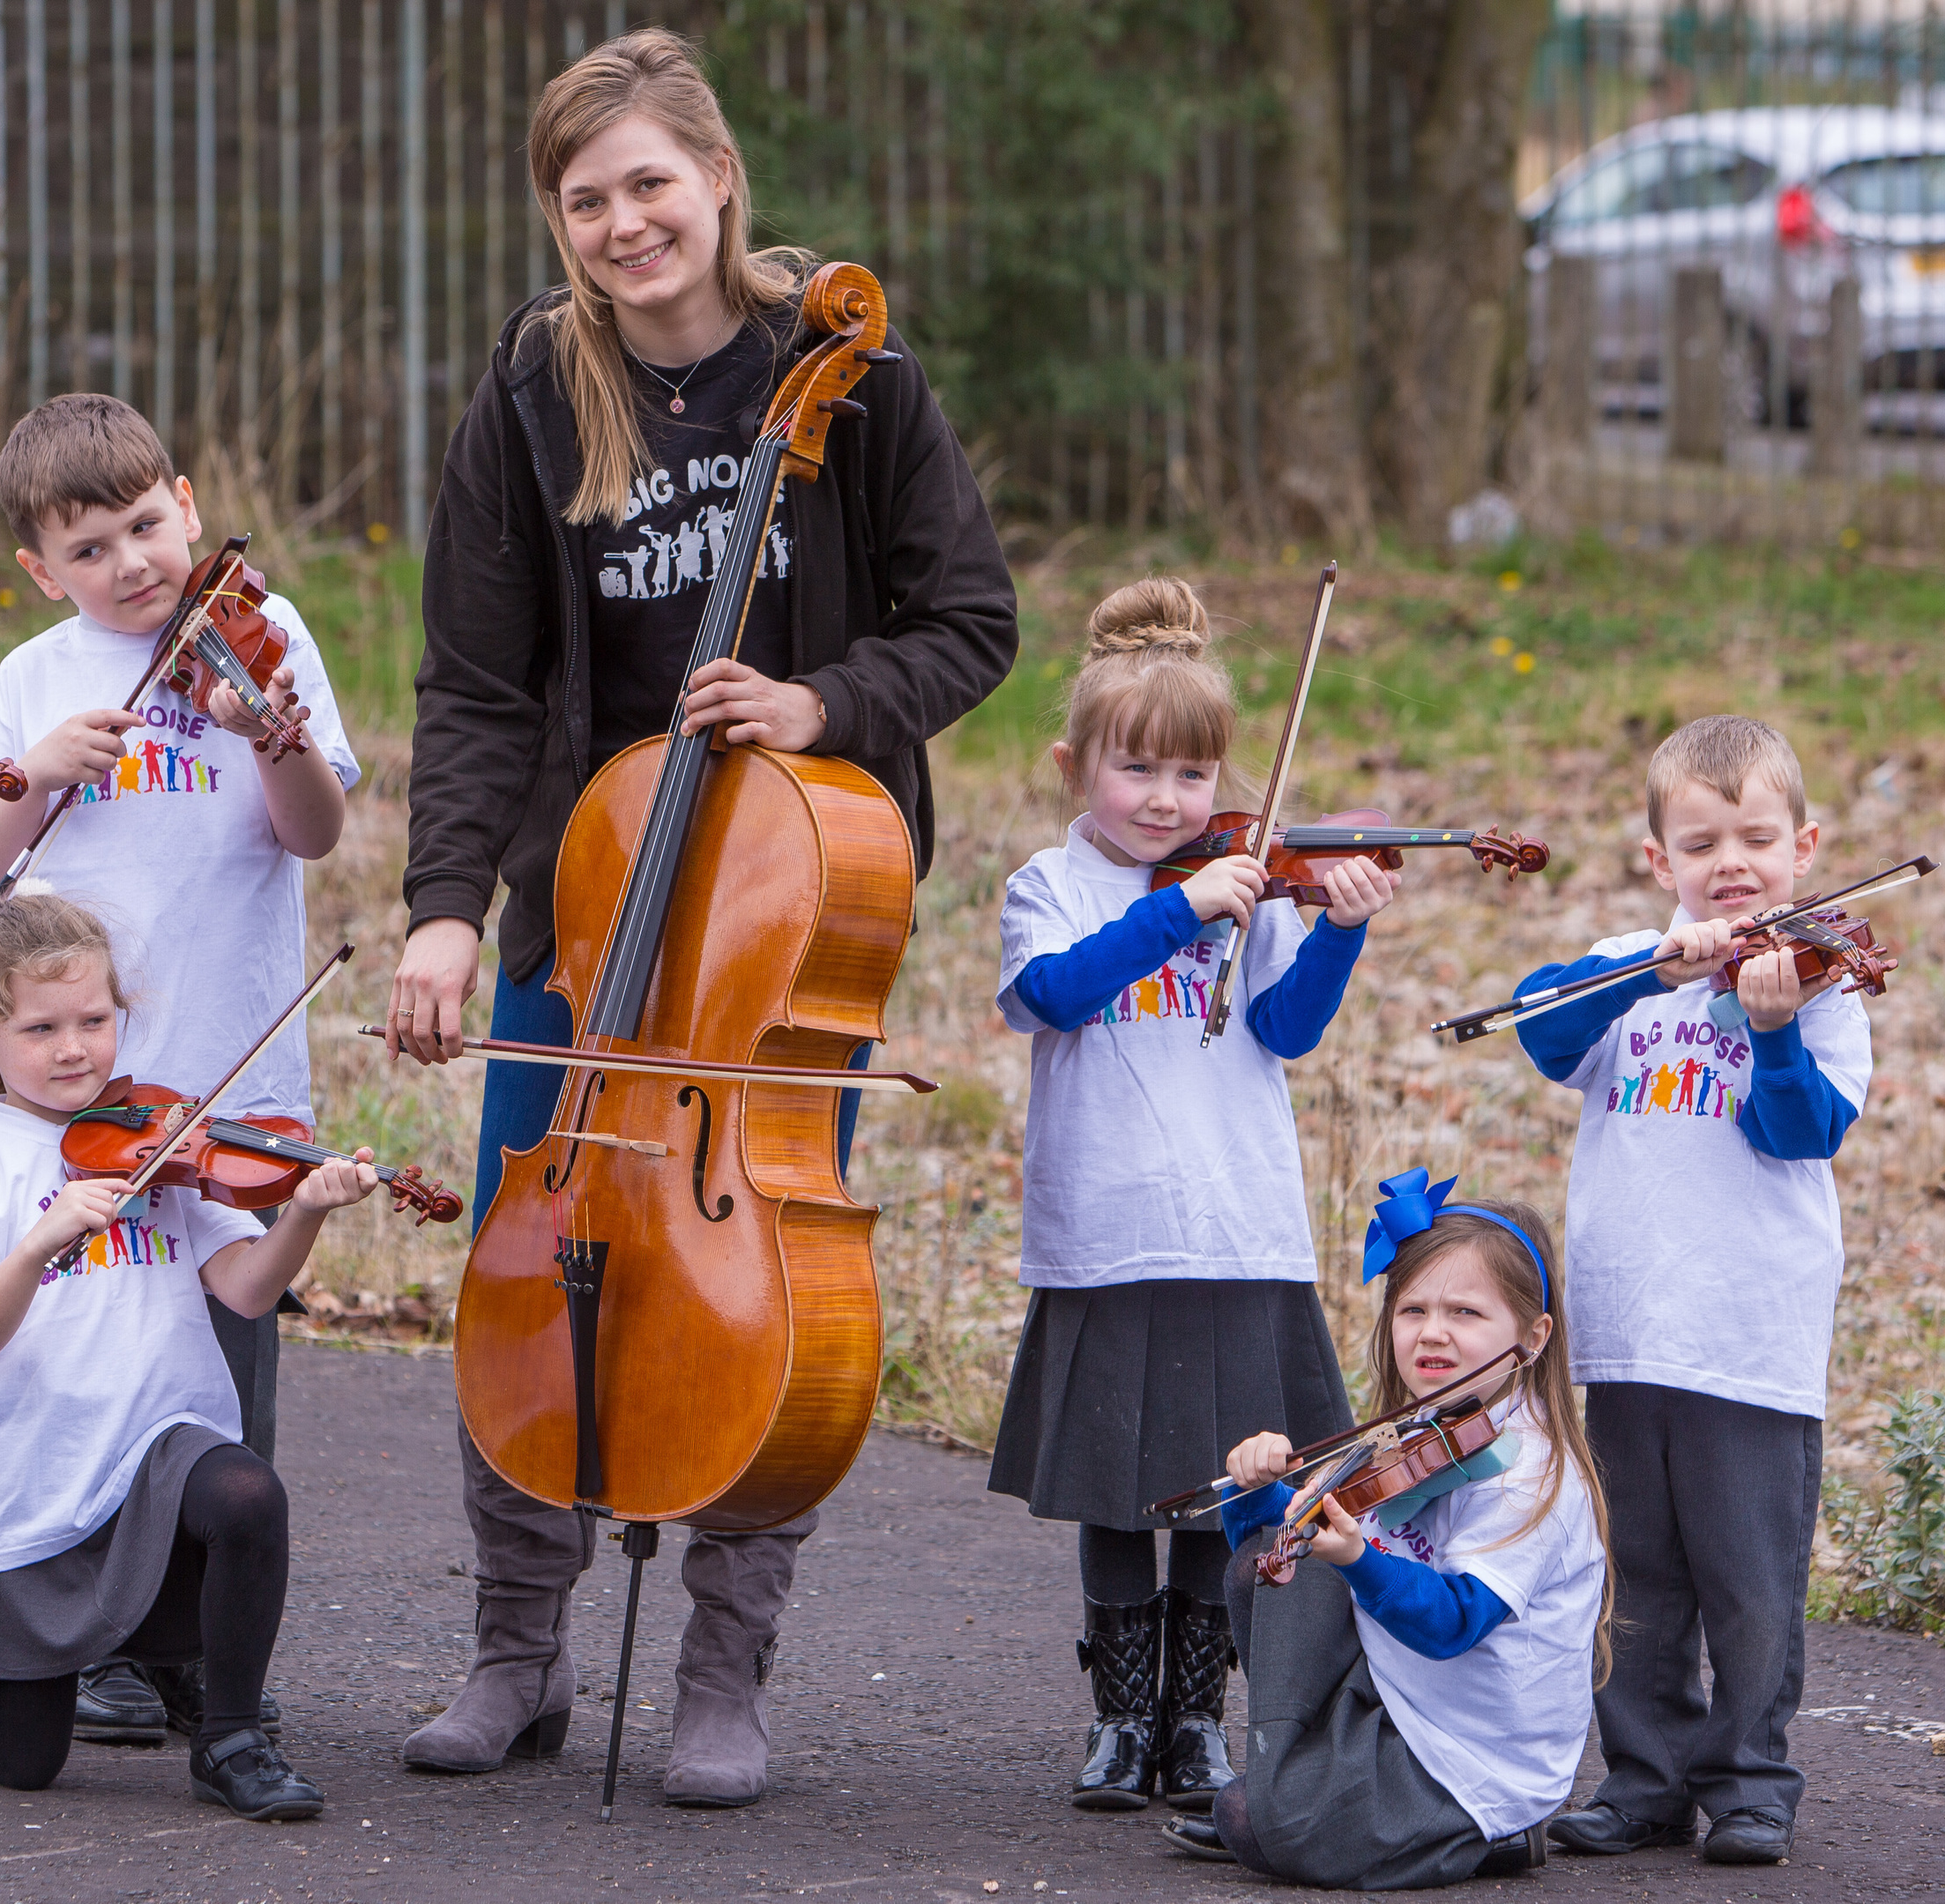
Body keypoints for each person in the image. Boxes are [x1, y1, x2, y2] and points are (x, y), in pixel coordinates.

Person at [384, 27, 1018, 1808]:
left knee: (762, 1294)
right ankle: (519, 1649)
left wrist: (833, 705)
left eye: (650, 183)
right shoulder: (529, 393)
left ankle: (725, 1669)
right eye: (585, 200)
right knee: (531, 1262)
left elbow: (972, 623)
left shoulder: (854, 375)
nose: (622, 222)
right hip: (587, 919)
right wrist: (446, 914)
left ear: (718, 179)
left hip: (774, 929)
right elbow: (477, 686)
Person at [0, 391, 359, 1743]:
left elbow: (314, 835)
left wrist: (274, 736)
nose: (131, 563)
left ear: (186, 502)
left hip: (233, 1069)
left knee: (232, 1349)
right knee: (93, 1355)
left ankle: (210, 1644)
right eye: (91, 550)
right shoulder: (35, 679)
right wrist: (32, 777)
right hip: (87, 1081)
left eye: (145, 525)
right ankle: (106, 1634)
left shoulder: (266, 633)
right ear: (42, 573)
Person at [987, 576, 1399, 1815]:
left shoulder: (1251, 887)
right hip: (1110, 1239)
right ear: (1076, 767)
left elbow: (1285, 1029)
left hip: (1238, 1233)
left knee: (1234, 1484)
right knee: (1121, 1489)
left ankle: (1198, 1721)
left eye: (1194, 776)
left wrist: (1333, 930)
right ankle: (1121, 1720)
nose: (1169, 801)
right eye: (1138, 773)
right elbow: (1052, 996)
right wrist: (1176, 911)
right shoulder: (1050, 888)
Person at [0, 896, 377, 1816]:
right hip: (37, 1470)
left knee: (245, 1490)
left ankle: (231, 1741)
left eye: (95, 1021)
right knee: (24, 1761)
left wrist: (303, 1210)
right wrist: (35, 1246)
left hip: (160, 1443)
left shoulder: (164, 1135)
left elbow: (245, 1289)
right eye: (42, 1027)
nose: (74, 1047)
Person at [1504, 715, 1869, 1868]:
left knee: (1751, 1586)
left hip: (1748, 1339)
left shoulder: (1820, 987)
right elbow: (1539, 1028)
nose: (1733, 862)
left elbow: (1802, 1131)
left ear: (1804, 846)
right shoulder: (1634, 968)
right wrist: (1636, 973)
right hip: (1621, 1335)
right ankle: (1644, 1778)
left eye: (1757, 837)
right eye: (1702, 840)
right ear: (1659, 859)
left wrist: (1770, 1032)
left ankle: (1753, 1780)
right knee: (1638, 1579)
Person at [1159, 1183, 1606, 1887]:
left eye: (1465, 1312)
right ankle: (1297, 1786)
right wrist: (1259, 1494)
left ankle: (1489, 1833)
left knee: (1247, 1818)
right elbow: (1275, 1558)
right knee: (1263, 1566)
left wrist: (1359, 1560)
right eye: (1414, 1310)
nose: (1433, 1332)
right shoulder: (1415, 1437)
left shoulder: (1528, 1476)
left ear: (1533, 1337)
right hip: (1395, 1696)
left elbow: (1453, 1623)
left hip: (1469, 1756)